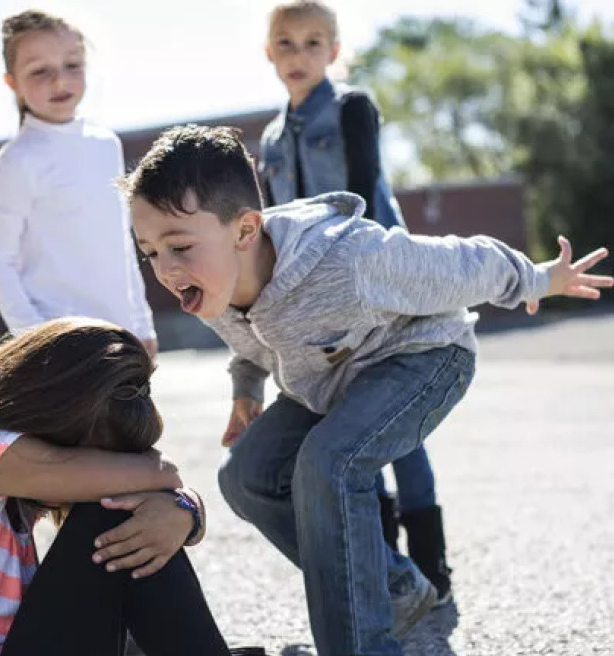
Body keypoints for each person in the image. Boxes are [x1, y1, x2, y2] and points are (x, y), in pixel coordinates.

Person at [124, 125, 614, 656]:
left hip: (424, 357)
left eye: (178, 246)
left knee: (328, 463)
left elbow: (462, 262)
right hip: (330, 380)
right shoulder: (213, 282)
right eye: (149, 252)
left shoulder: (348, 260)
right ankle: (394, 588)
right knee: (245, 476)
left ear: (245, 231)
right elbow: (251, 344)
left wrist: (540, 279)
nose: (165, 270)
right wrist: (246, 392)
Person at [0, 318, 262, 655]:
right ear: (58, 416)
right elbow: (164, 473)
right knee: (112, 514)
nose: (98, 472)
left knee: (131, 537)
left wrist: (185, 513)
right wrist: (181, 507)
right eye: (98, 458)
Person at [257, 0, 448, 593]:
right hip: (315, 303)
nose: (299, 55)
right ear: (269, 52)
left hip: (378, 288)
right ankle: (390, 572)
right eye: (286, 43)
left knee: (399, 427)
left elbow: (365, 194)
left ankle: (431, 567)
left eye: (314, 43)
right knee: (351, 427)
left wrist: (386, 285)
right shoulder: (268, 138)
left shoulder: (351, 108)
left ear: (334, 52)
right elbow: (273, 225)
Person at [0, 11, 157, 358]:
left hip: (121, 337)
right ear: (12, 83)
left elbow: (121, 244)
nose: (59, 81)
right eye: (39, 71)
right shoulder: (17, 161)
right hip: (61, 346)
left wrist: (142, 324)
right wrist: (36, 339)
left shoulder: (106, 144)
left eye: (72, 65)